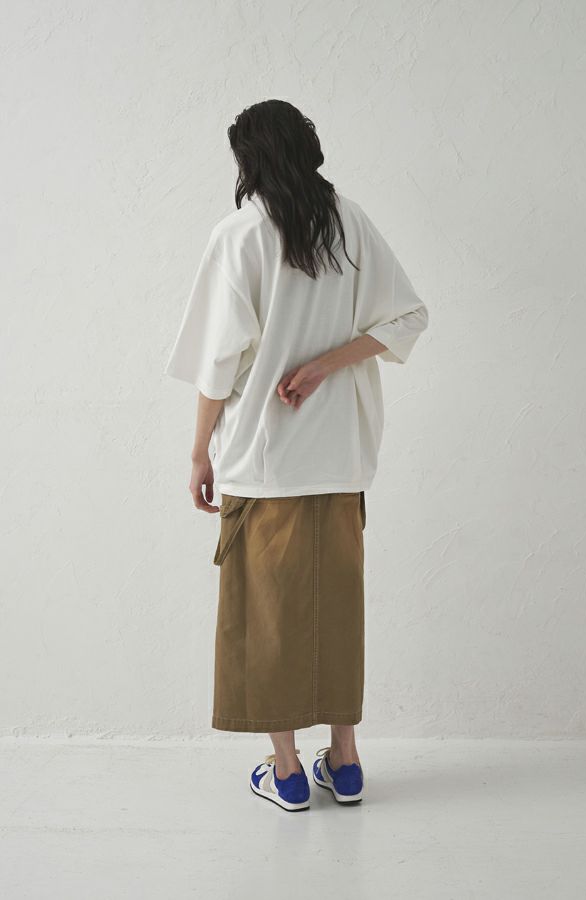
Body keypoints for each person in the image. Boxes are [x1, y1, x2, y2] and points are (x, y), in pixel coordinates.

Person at [164, 99, 429, 811]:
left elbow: (219, 363)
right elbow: (409, 316)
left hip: (264, 461)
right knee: (336, 609)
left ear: (250, 161)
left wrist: (199, 452)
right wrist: (326, 365)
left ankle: (285, 773)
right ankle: (345, 762)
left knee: (265, 617)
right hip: (341, 457)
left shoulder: (241, 234)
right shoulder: (350, 223)